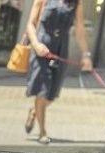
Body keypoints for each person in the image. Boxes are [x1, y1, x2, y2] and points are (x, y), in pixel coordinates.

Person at [23, 0, 92, 144]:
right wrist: (36, 44)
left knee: (51, 95)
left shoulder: (76, 2)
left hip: (61, 48)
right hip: (42, 46)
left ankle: (35, 111)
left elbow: (79, 28)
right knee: (42, 91)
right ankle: (42, 132)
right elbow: (30, 24)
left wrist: (86, 55)